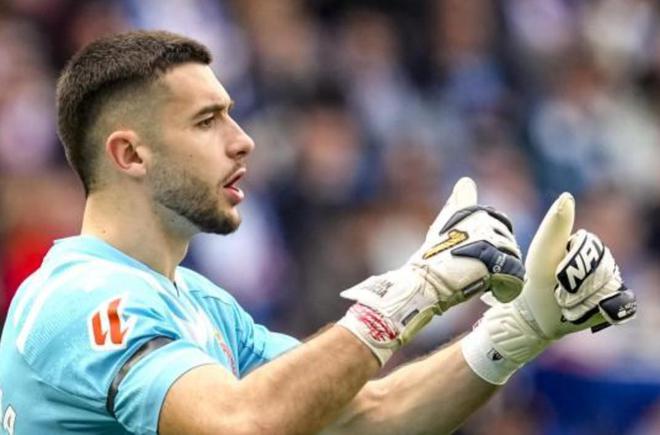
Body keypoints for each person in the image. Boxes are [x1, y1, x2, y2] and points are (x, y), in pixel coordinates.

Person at [0, 31, 636, 435]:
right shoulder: (80, 297)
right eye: (206, 121)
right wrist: (411, 292)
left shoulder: (202, 304)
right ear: (130, 154)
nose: (242, 140)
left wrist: (517, 329)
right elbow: (239, 426)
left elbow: (369, 416)